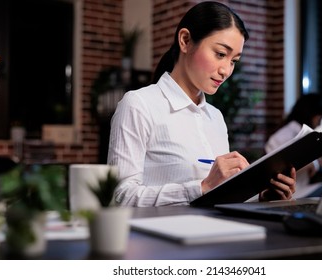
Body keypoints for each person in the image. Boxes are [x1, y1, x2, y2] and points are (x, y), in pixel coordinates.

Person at [108, 1, 296, 207]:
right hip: (162, 237)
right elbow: (120, 196)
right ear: (185, 40)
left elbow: (221, 196)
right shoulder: (139, 105)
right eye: (221, 54)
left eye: (234, 61)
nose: (226, 70)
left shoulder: (215, 117)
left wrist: (263, 199)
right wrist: (202, 187)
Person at [265, 93, 322, 198]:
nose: (320, 123)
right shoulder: (291, 135)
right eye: (319, 118)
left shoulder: (291, 131)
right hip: (292, 192)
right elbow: (280, 168)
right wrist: (314, 163)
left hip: (296, 189)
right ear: (312, 114)